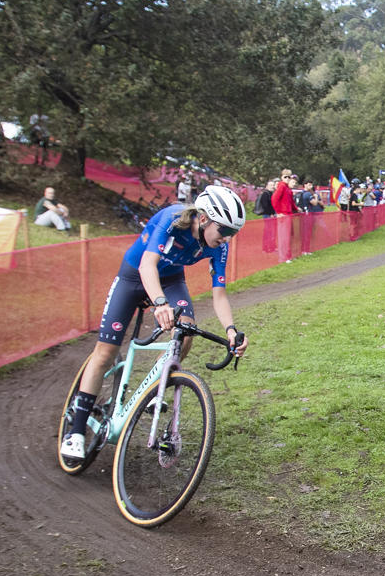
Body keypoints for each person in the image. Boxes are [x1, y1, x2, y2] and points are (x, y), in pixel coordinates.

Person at [60, 186, 250, 460]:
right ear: (205, 218)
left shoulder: (219, 247)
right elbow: (147, 264)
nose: (227, 238)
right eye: (224, 231)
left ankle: (153, 391)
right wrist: (160, 303)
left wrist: (231, 330)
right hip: (134, 277)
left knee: (185, 330)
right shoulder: (172, 220)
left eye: (233, 233)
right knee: (105, 353)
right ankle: (75, 432)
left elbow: (218, 293)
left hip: (172, 281)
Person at [271, 169, 298, 263]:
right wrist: (278, 212)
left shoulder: (287, 188)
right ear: (282, 177)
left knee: (288, 237)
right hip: (284, 214)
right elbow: (274, 199)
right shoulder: (282, 186)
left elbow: (291, 202)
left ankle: (288, 256)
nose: (287, 179)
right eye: (285, 177)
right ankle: (283, 257)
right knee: (283, 237)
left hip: (288, 214)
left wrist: (296, 209)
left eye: (289, 177)